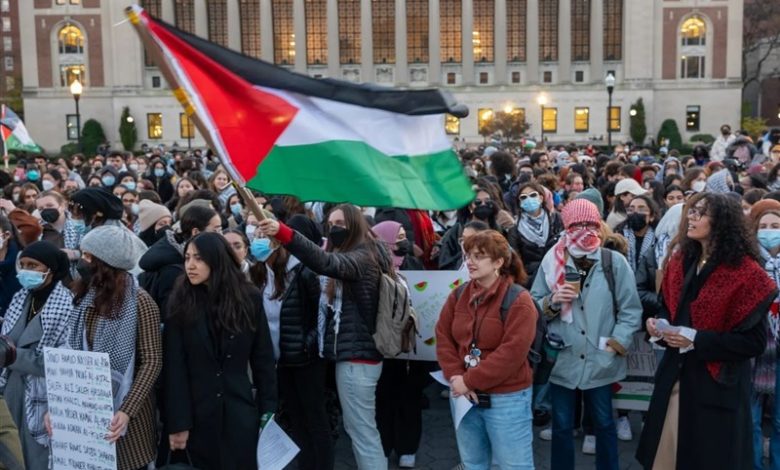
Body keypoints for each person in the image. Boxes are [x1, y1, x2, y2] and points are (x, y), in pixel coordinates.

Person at [637, 193, 777, 469]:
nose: (691, 217)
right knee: (665, 459)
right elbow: (668, 310)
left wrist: (696, 340)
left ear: (722, 221)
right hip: (675, 378)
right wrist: (657, 325)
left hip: (716, 388)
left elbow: (754, 342)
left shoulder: (747, 273)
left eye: (700, 213)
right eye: (692, 211)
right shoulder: (680, 262)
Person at [258, 204, 390, 470]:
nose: (334, 229)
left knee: (362, 433)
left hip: (358, 359)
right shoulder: (360, 253)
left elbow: (325, 262)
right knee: (361, 431)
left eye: (340, 223)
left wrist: (284, 233)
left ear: (355, 224)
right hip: (353, 355)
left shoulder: (363, 256)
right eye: (330, 224)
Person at [531, 199, 642, 470]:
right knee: (562, 426)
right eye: (577, 225)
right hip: (563, 357)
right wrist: (552, 301)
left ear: (599, 225)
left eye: (591, 224)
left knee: (604, 423)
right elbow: (533, 305)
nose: (585, 230)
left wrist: (616, 344)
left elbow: (630, 309)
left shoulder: (613, 262)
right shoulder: (553, 261)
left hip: (600, 357)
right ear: (566, 227)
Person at [163, 232, 276, 470]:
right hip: (197, 414)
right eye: (187, 258)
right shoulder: (180, 301)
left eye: (198, 258)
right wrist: (178, 423)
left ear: (217, 259)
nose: (190, 265)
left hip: (239, 411)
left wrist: (268, 411)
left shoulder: (249, 298)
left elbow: (263, 358)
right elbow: (174, 367)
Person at [435, 230, 537, 470]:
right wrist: (456, 376)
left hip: (506, 399)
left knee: (515, 466)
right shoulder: (458, 294)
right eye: (468, 255)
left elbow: (512, 353)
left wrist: (469, 381)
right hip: (464, 396)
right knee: (472, 464)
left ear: (498, 262)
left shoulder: (519, 300)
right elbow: (443, 337)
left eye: (479, 256)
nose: (470, 262)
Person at [64, 225, 162, 470]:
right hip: (87, 410)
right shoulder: (87, 296)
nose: (82, 261)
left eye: (88, 256)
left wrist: (127, 410)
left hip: (129, 414)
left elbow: (152, 361)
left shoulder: (141, 302)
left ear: (106, 262)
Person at [250, 214, 334, 470]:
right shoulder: (260, 271)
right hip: (280, 361)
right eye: (256, 236)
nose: (258, 242)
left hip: (306, 360)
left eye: (264, 236)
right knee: (296, 419)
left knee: (315, 419)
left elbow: (322, 316)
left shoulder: (303, 271)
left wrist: (307, 344)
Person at [0, 241, 72, 470]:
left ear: (51, 270)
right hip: (11, 391)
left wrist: (13, 357)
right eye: (23, 265)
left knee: (37, 460)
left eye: (33, 266)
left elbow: (60, 361)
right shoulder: (21, 298)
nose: (26, 271)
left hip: (45, 398)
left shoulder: (67, 307)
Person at [138, 204, 221, 314]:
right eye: (216, 230)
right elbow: (173, 316)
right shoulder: (173, 271)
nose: (221, 235)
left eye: (220, 230)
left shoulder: (178, 257)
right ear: (196, 232)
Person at [750, 199, 780, 470]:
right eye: (764, 226)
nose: (769, 231)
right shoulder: (747, 261)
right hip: (756, 350)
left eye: (775, 226)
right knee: (752, 419)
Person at [508, 182, 564, 283]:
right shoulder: (515, 229)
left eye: (533, 195)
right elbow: (516, 259)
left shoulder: (556, 219)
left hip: (558, 273)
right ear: (520, 203)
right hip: (531, 279)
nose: (529, 199)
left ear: (541, 198)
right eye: (523, 197)